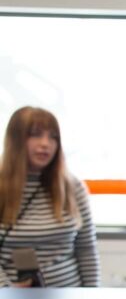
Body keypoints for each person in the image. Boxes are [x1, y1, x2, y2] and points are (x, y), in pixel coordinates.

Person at [0, 106, 99, 288]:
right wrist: (7, 291)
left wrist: (92, 295)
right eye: (36, 135)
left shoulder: (72, 187)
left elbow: (86, 250)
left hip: (70, 295)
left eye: (53, 137)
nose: (46, 143)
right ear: (16, 140)